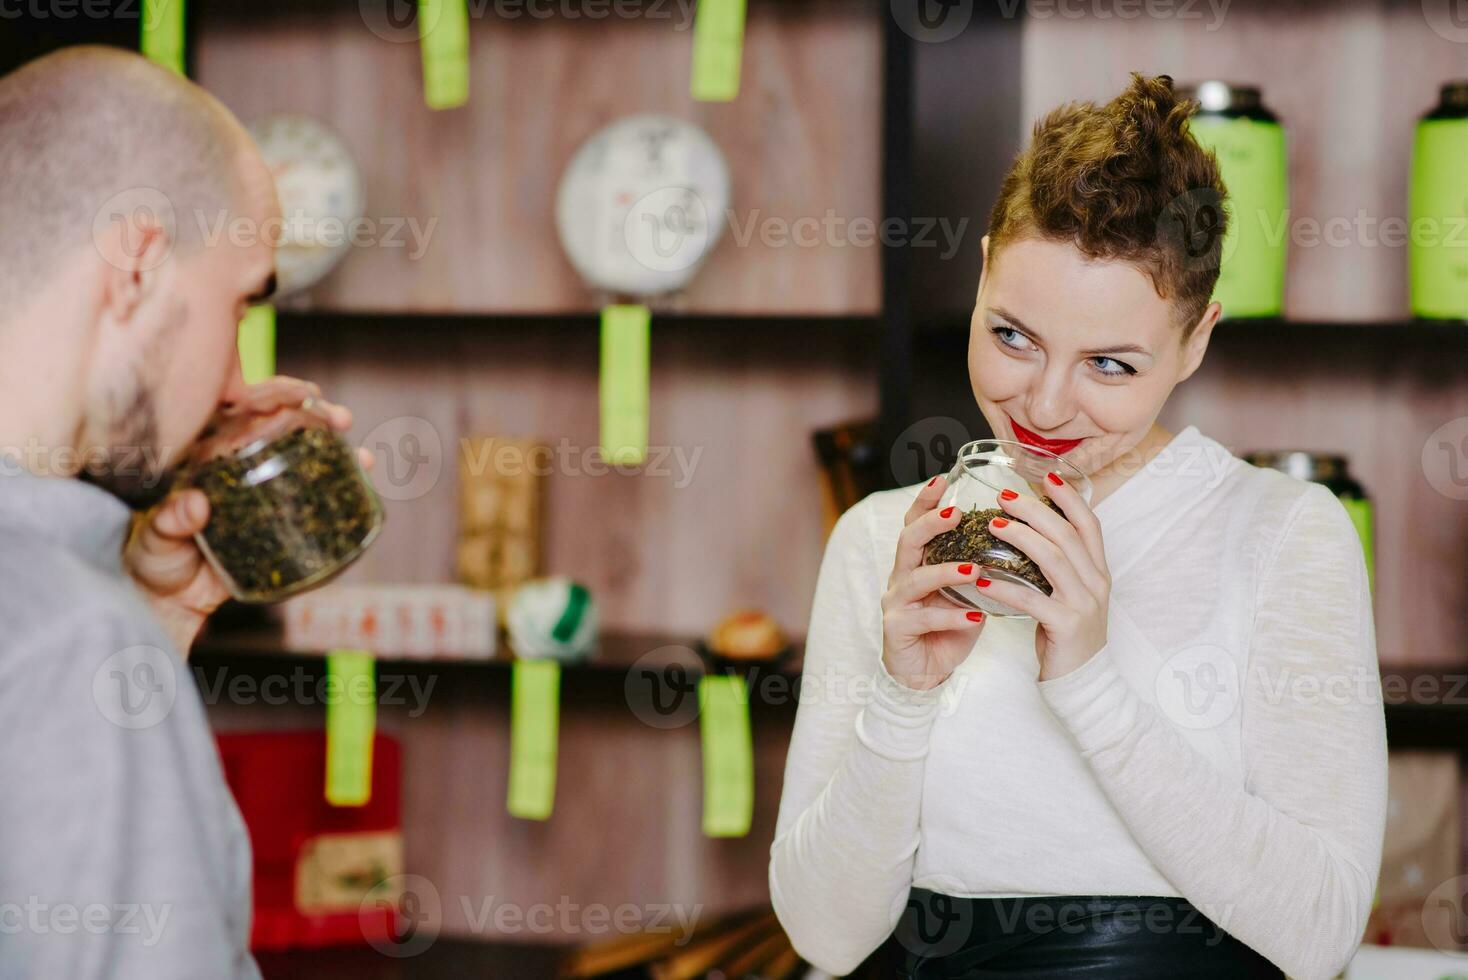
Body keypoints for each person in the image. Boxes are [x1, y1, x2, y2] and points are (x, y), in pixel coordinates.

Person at [769, 73, 1387, 980]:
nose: (1044, 406)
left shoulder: (1285, 533)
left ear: (1196, 340)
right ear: (980, 272)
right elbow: (824, 937)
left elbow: (1322, 931)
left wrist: (1092, 684)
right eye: (1013, 335)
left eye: (1109, 363)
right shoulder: (880, 539)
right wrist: (901, 698)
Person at [0, 46, 361, 978]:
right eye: (239, 306)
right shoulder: (68, 643)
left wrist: (150, 621)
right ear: (135, 265)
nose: (237, 381)